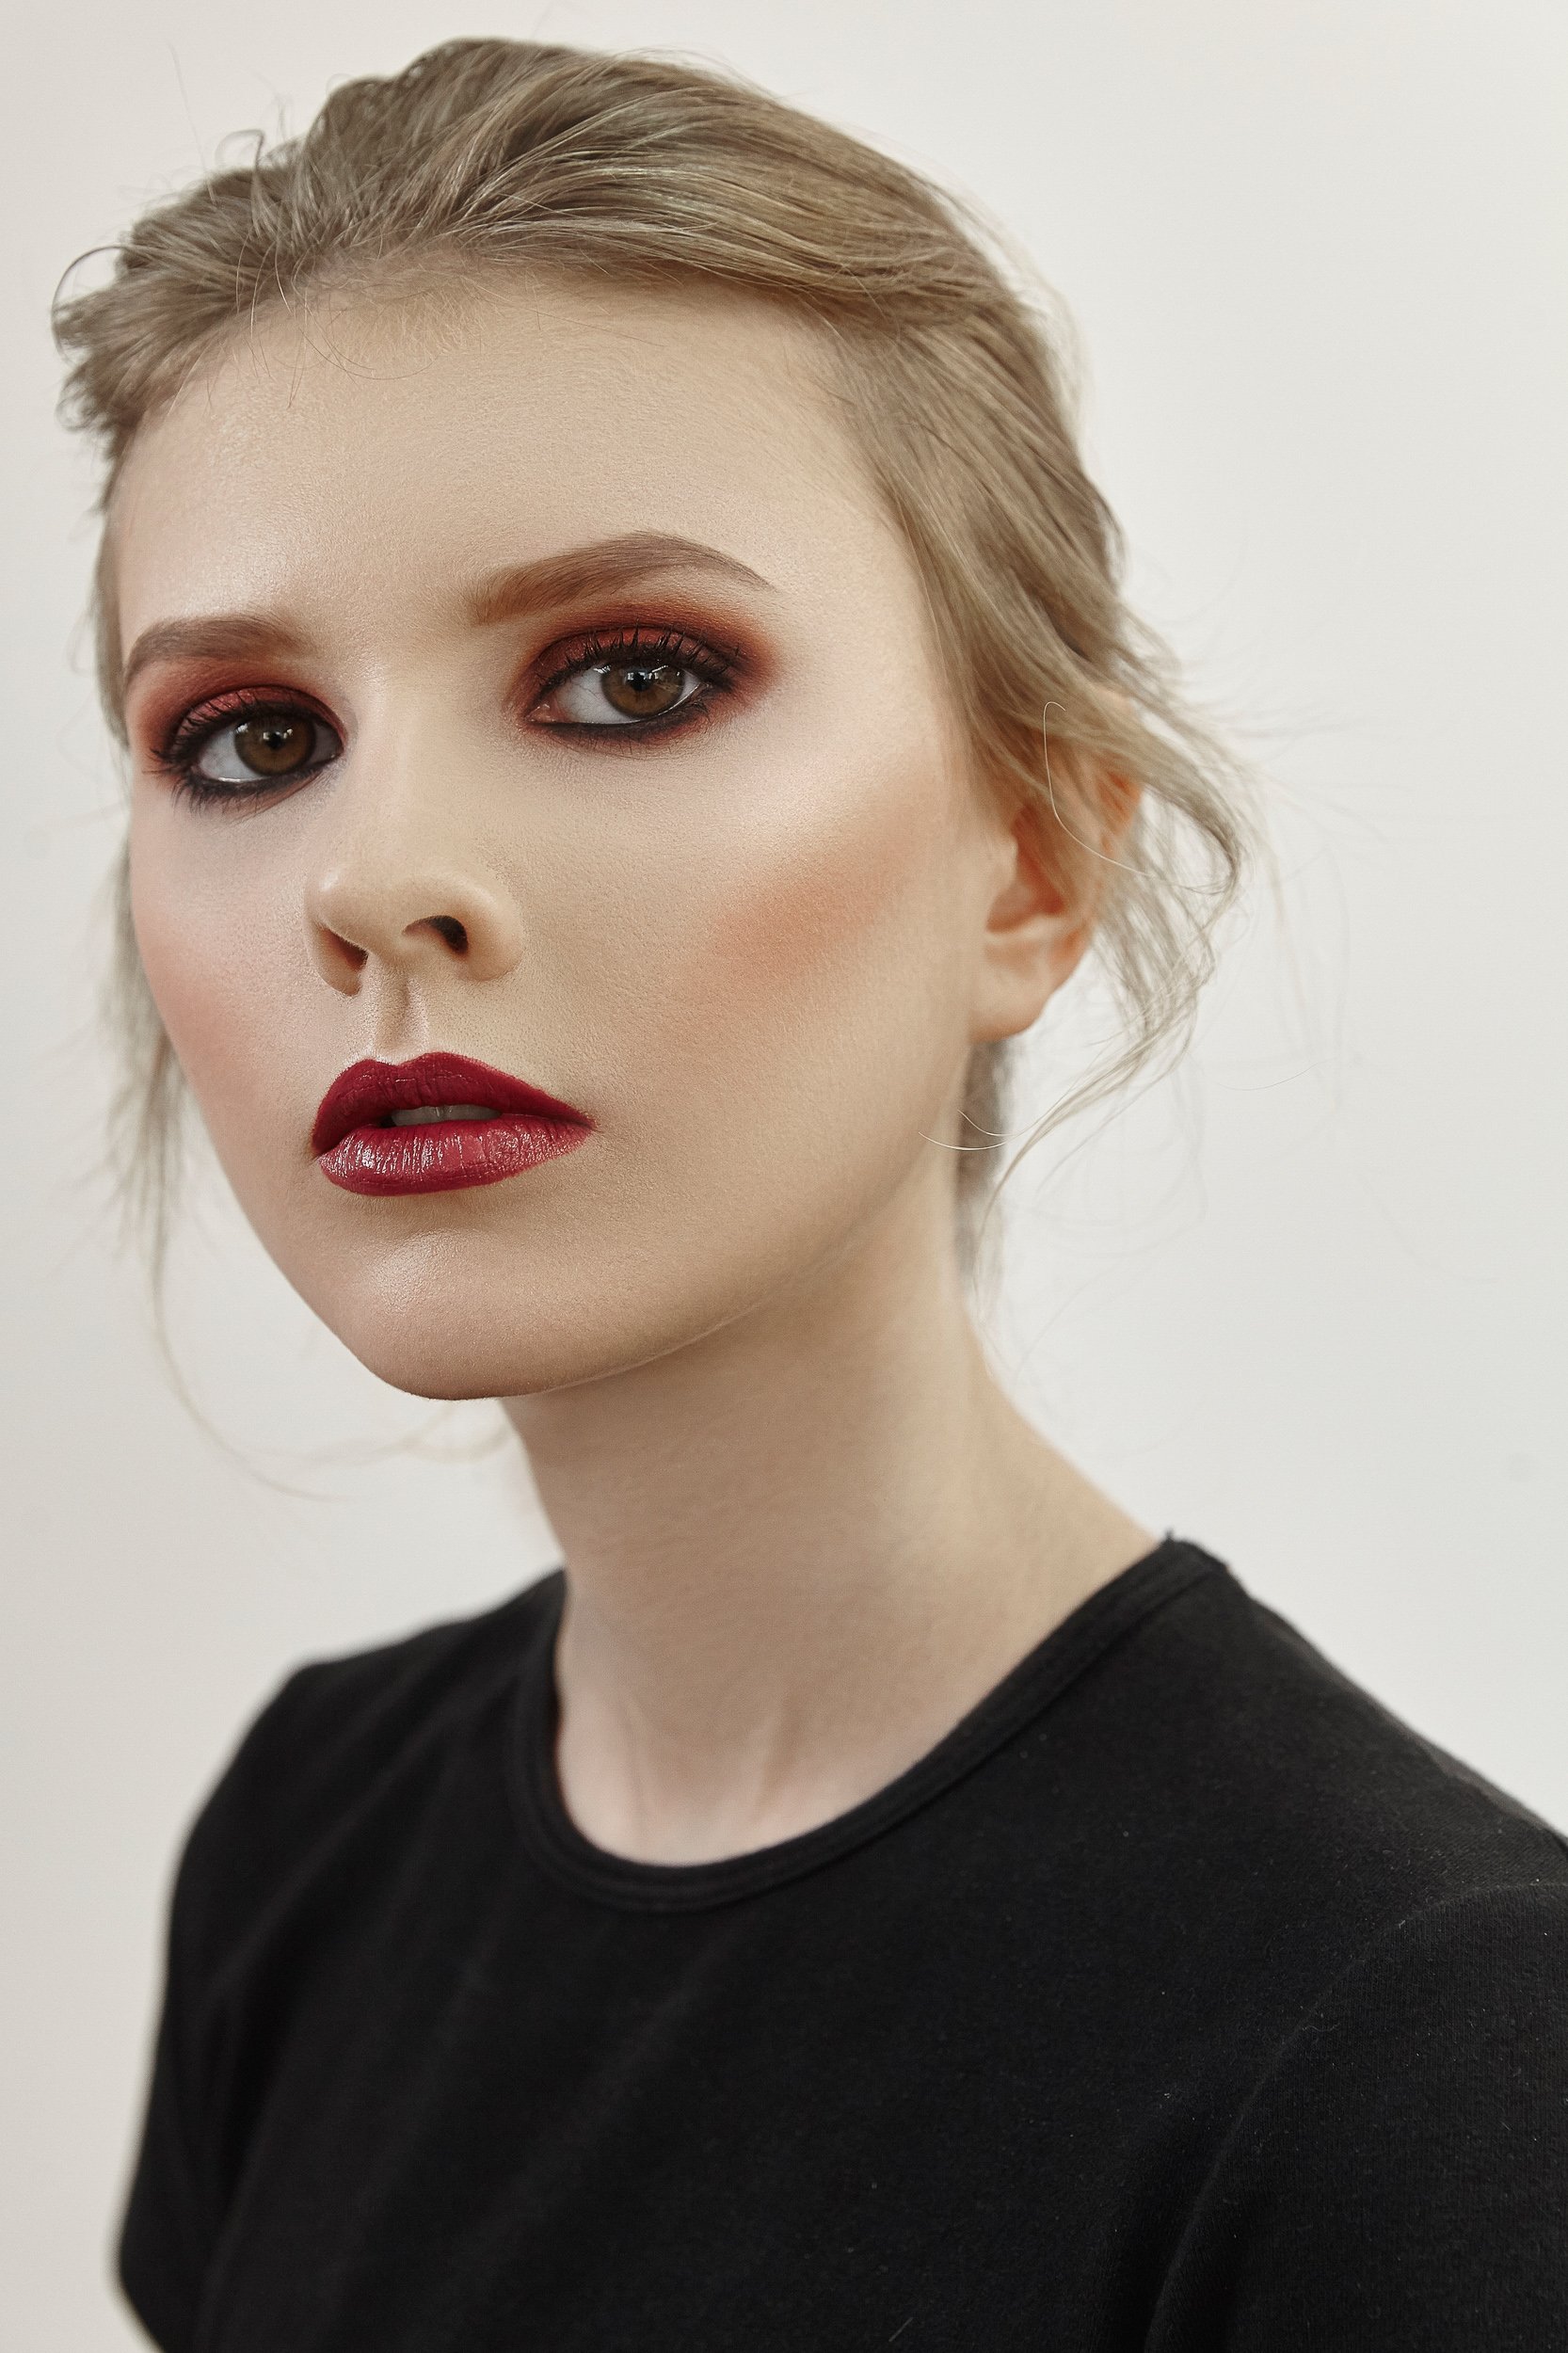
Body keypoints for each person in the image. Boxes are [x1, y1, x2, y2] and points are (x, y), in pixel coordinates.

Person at [54, 37, 1567, 2352]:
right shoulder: (310, 1839)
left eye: (627, 679)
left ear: (1026, 858)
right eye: (252, 738)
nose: (374, 879)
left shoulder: (1429, 2060)